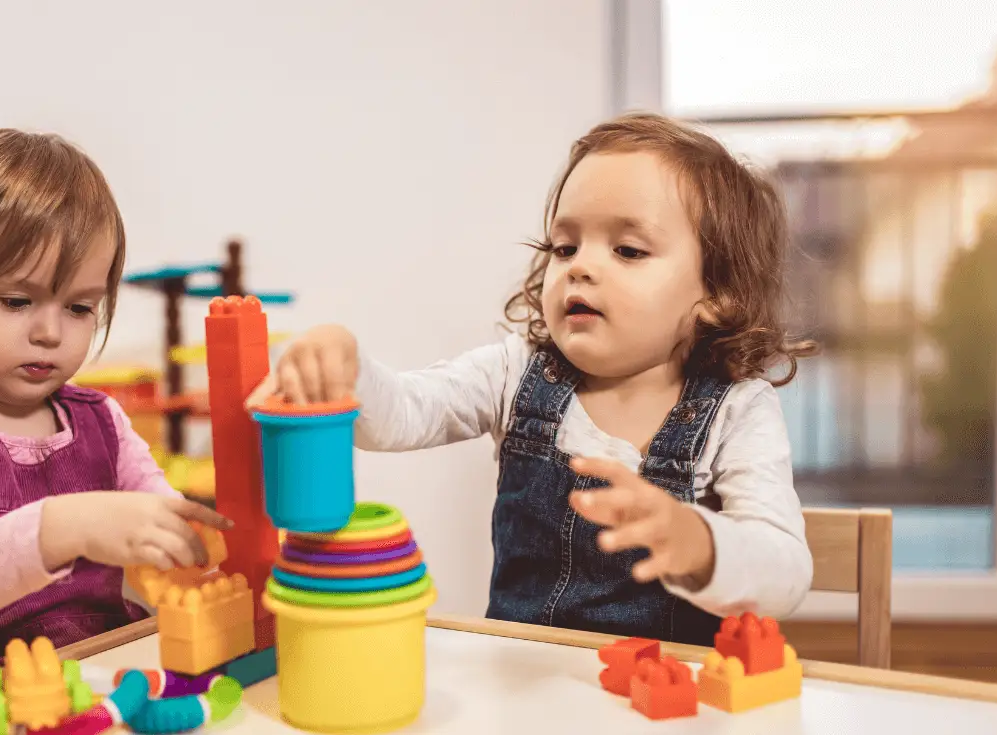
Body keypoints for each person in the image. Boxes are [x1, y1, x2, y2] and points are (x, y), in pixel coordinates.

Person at [248, 113, 816, 645]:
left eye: (628, 249)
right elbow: (402, 414)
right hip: (523, 688)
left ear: (718, 295)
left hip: (666, 713)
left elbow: (784, 574)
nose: (580, 265)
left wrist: (697, 541)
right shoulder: (515, 372)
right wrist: (346, 367)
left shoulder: (739, 412)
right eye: (563, 245)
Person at [0, 129, 231, 710]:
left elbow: (166, 527)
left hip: (89, 701)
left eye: (80, 308)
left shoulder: (102, 421)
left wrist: (206, 546)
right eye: (17, 301)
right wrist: (60, 527)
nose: (50, 332)